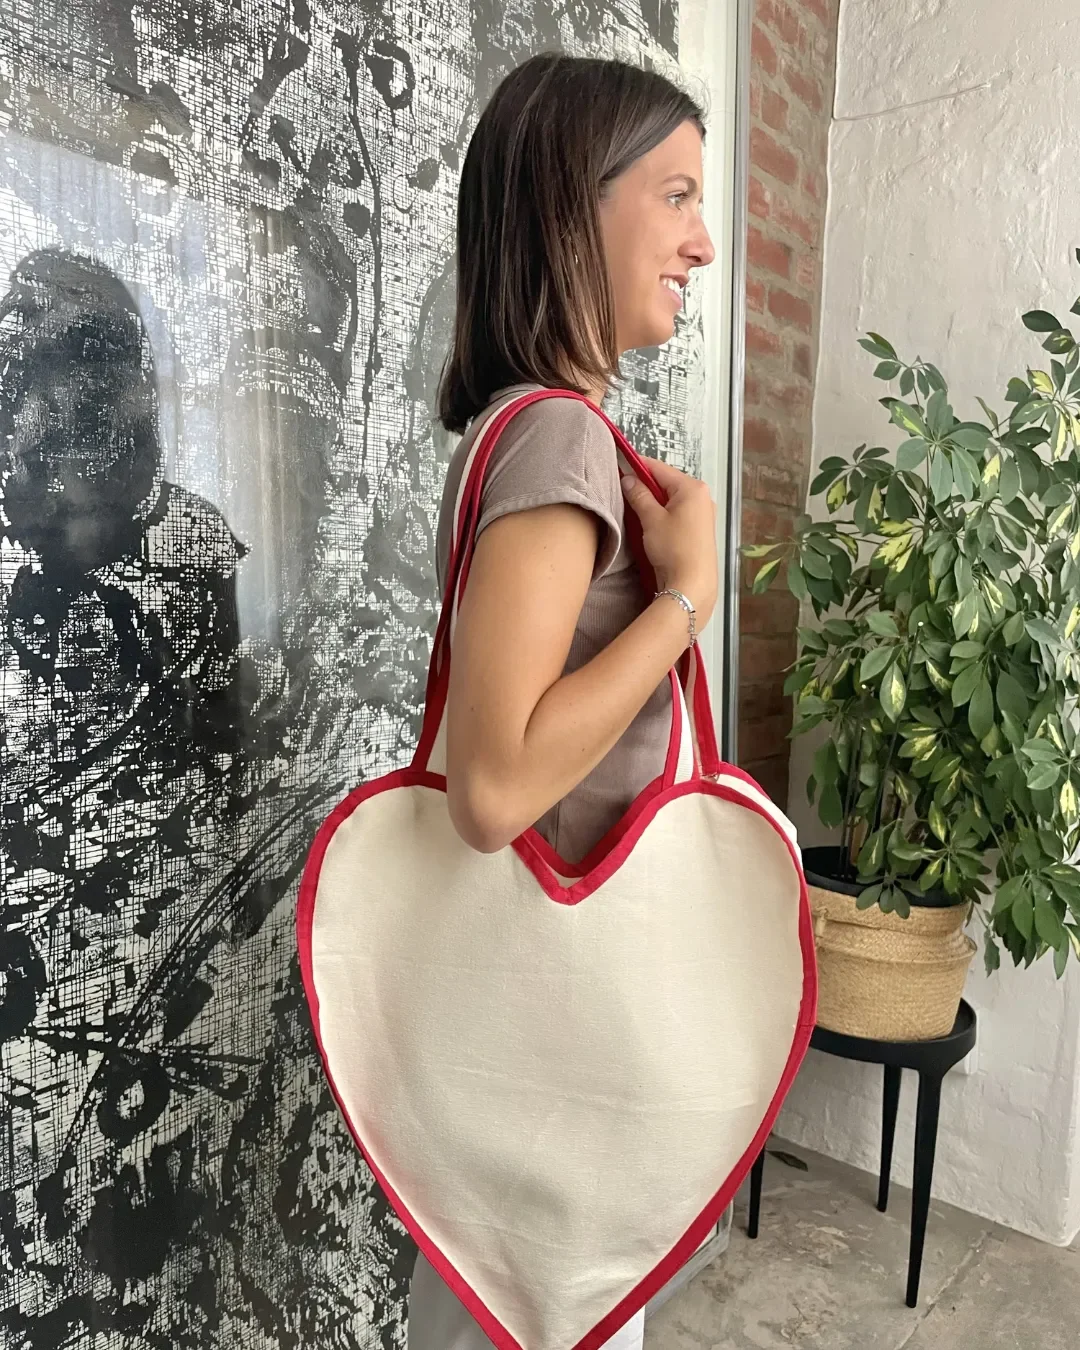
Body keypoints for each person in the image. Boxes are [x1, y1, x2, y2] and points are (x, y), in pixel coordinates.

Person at [408, 51, 719, 1350]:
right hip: (560, 1040)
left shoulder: (526, 428)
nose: (702, 244)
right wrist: (685, 598)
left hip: (527, 1026)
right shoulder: (557, 438)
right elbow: (494, 788)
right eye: (677, 196)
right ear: (568, 208)